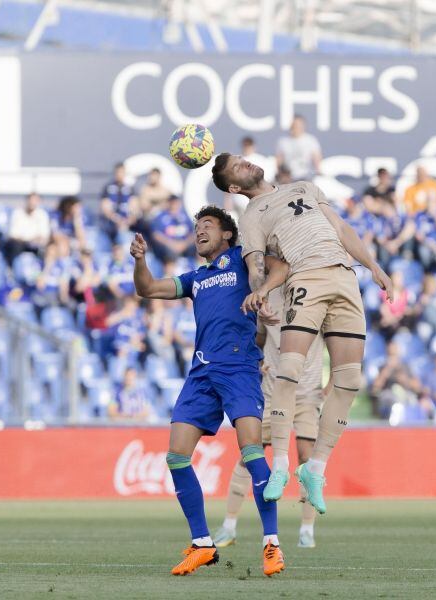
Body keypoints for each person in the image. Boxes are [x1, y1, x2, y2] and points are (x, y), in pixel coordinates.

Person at [211, 152, 394, 515]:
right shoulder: (252, 215)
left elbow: (341, 229)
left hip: (345, 276)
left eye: (244, 159)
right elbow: (255, 262)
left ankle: (315, 469)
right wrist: (260, 291)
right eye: (237, 167)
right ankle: (280, 464)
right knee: (290, 370)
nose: (247, 163)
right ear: (234, 186)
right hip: (304, 279)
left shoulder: (305, 187)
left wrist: (373, 266)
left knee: (349, 380)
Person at [131, 206, 285, 577]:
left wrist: (262, 290)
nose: (199, 231)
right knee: (176, 456)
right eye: (197, 226)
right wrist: (140, 259)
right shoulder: (196, 278)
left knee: (251, 450)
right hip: (201, 372)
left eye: (208, 225)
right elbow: (147, 288)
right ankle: (202, 543)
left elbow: (280, 266)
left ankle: (271, 543)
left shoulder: (241, 259)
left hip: (239, 368)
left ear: (227, 234)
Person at [213, 284, 324, 549]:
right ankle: (229, 525)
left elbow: (334, 338)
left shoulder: (318, 293)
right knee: (250, 452)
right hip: (272, 389)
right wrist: (256, 359)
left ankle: (306, 530)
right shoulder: (269, 296)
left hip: (307, 391)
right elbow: (259, 338)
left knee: (307, 455)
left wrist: (333, 385)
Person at [6, 192, 51, 263]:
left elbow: (44, 235)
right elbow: (13, 234)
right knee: (14, 245)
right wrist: (27, 240)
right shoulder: (17, 213)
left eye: (35, 201)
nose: (32, 203)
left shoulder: (42, 214)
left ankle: (40, 270)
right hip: (19, 244)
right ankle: (15, 268)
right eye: (31, 200)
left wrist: (35, 240)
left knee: (47, 248)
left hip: (36, 245)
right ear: (27, 200)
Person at [99, 163, 139, 243]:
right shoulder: (108, 188)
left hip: (126, 226)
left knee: (126, 237)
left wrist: (128, 221)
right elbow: (105, 208)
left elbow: (135, 209)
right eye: (118, 172)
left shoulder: (130, 189)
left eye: (122, 172)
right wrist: (117, 220)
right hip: (110, 225)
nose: (120, 175)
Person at [275, 115, 322, 181]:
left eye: (298, 125)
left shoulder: (311, 140)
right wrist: (279, 173)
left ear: (303, 126)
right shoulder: (283, 141)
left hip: (306, 176)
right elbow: (279, 159)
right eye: (294, 125)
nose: (296, 127)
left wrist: (318, 170)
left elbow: (316, 157)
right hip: (289, 178)